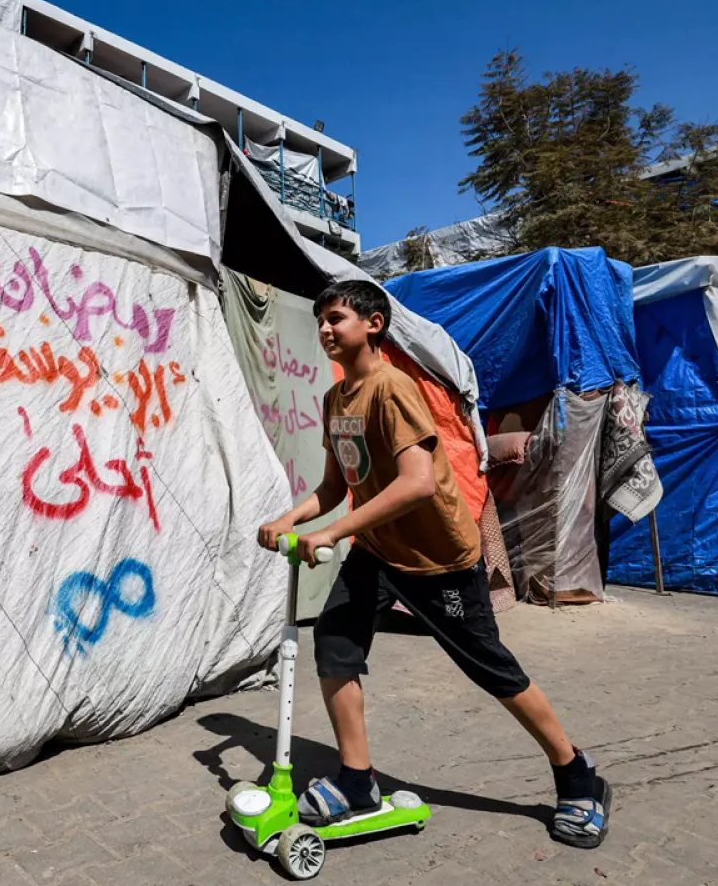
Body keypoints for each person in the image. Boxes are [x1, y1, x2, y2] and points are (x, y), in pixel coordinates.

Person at [256, 280, 611, 849]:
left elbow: (418, 483)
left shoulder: (391, 388)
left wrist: (331, 532)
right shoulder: (335, 399)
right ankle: (357, 778)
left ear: (374, 324)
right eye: (320, 319)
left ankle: (577, 775)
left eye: (337, 318)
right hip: (377, 551)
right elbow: (332, 485)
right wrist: (290, 518)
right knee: (335, 645)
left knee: (491, 670)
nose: (324, 328)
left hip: (439, 560)